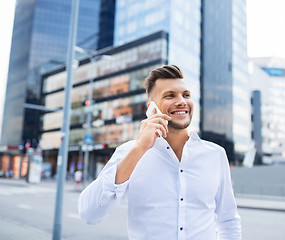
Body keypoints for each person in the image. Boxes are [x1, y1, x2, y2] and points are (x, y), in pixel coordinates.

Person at [78, 65, 242, 239]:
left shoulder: (215, 155)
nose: (182, 101)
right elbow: (90, 214)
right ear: (152, 108)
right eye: (170, 95)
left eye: (186, 95)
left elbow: (228, 220)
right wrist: (140, 147)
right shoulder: (129, 152)